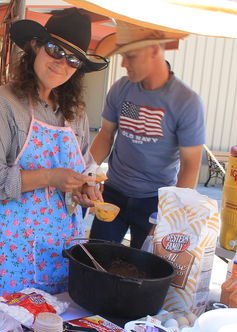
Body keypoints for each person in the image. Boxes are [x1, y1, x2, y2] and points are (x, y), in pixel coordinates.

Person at [0, 8, 109, 297]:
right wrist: (49, 177)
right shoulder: (0, 104)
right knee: (12, 330)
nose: (62, 63)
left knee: (55, 329)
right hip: (11, 249)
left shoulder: (75, 113)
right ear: (35, 45)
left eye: (73, 59)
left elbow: (82, 172)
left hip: (61, 246)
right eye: (56, 50)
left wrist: (82, 190)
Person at [81, 21, 205, 249]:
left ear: (155, 50)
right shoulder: (121, 88)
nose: (123, 63)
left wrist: (171, 215)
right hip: (113, 193)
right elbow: (105, 136)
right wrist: (85, 175)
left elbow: (191, 165)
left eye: (130, 56)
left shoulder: (186, 101)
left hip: (155, 202)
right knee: (96, 258)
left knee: (143, 272)